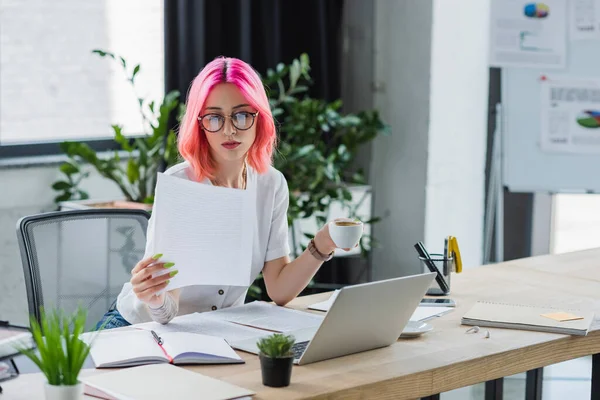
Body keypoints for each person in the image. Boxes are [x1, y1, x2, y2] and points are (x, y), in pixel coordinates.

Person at [97, 56, 354, 329]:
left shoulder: (271, 185)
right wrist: (155, 297)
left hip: (217, 330)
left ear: (260, 119)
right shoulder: (181, 184)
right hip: (141, 327)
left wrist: (323, 244)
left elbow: (278, 289)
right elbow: (165, 313)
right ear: (199, 124)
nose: (229, 129)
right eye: (215, 117)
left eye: (242, 115)